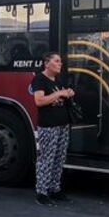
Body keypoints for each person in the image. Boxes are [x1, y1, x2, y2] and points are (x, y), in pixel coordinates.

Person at [32, 51, 74, 206]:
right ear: (46, 63)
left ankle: (54, 188)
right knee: (46, 159)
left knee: (59, 158)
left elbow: (62, 95)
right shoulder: (39, 79)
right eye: (56, 61)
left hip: (62, 124)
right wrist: (60, 94)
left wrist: (68, 93)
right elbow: (39, 101)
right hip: (49, 125)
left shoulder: (58, 79)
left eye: (60, 61)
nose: (60, 64)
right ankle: (41, 192)